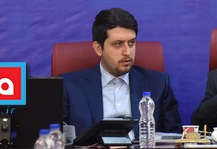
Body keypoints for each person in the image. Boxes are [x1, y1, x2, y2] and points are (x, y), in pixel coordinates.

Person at [61, 8, 182, 137]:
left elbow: (174, 138)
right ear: (98, 48)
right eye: (118, 44)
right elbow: (56, 138)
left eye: (131, 43)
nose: (127, 52)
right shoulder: (68, 86)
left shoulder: (158, 84)